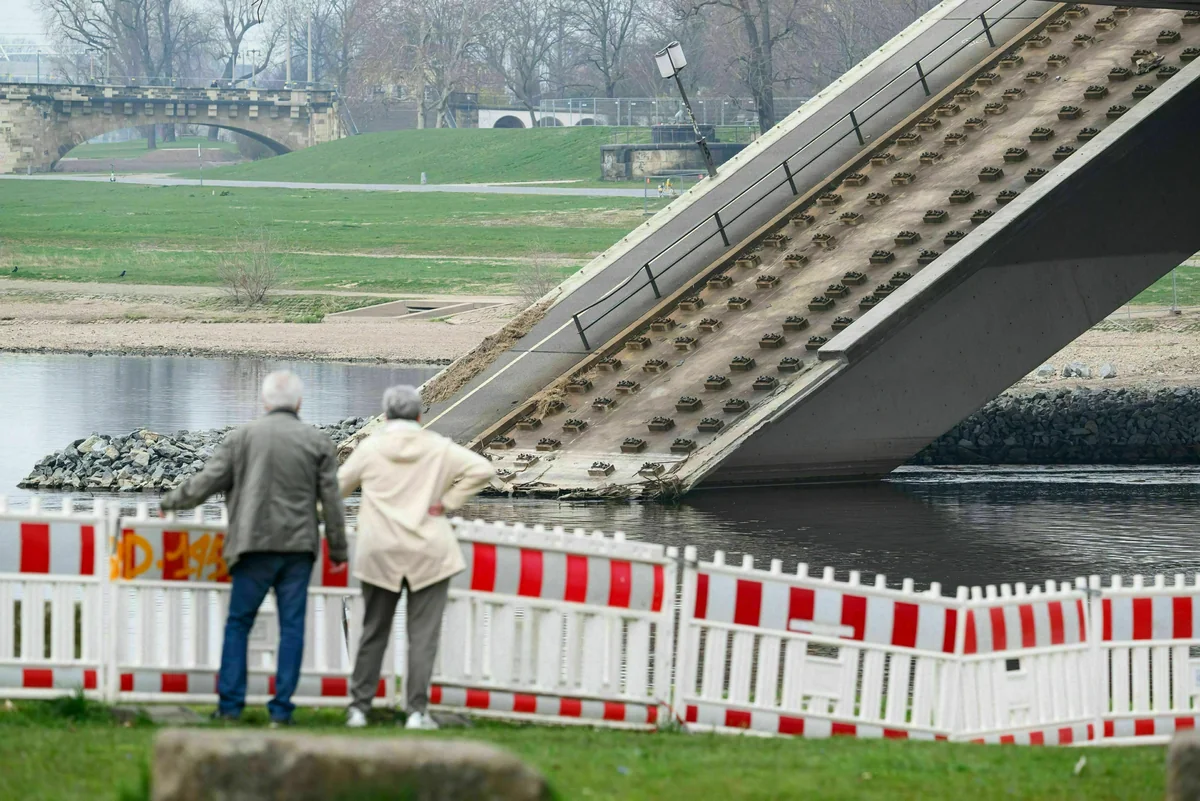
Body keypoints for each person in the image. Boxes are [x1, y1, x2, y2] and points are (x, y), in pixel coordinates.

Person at [160, 370, 348, 726]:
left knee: (238, 623)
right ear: (299, 403)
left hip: (252, 544)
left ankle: (230, 705)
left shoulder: (241, 438)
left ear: (264, 401)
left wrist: (171, 502)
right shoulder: (318, 442)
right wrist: (338, 551)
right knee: (292, 628)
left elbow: (206, 482)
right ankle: (282, 709)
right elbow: (332, 502)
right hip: (297, 548)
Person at [339, 385, 493, 730]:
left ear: (386, 416)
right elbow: (482, 469)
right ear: (420, 416)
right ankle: (416, 712)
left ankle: (359, 709)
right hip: (428, 551)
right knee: (422, 636)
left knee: (373, 631)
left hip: (380, 549)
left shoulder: (371, 448)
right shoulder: (437, 446)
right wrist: (448, 502)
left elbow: (338, 487)